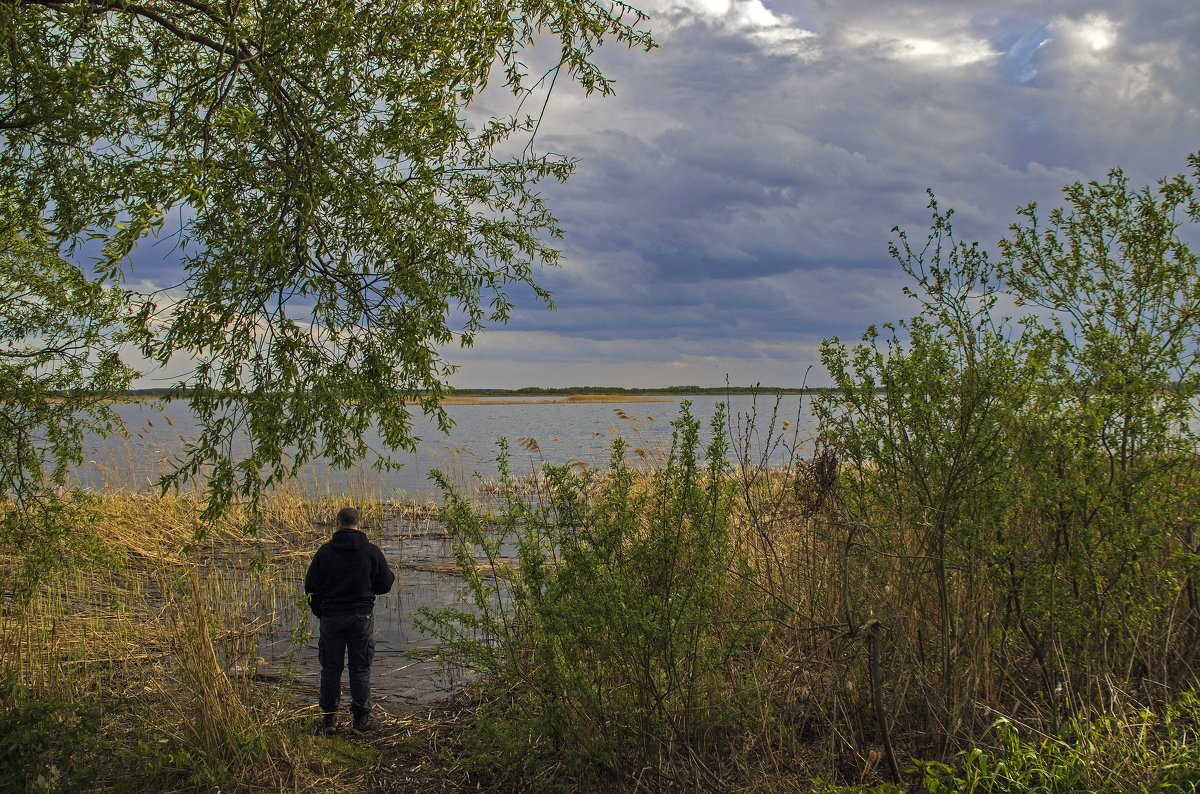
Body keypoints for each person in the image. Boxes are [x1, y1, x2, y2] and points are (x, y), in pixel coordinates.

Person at [304, 506, 395, 734]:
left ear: (337, 524)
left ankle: (329, 721)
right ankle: (361, 721)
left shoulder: (324, 552)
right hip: (360, 617)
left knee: (330, 669)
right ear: (359, 524)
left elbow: (310, 588)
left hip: (332, 617)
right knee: (360, 668)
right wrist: (367, 588)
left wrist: (321, 611)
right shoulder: (371, 552)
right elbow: (386, 583)